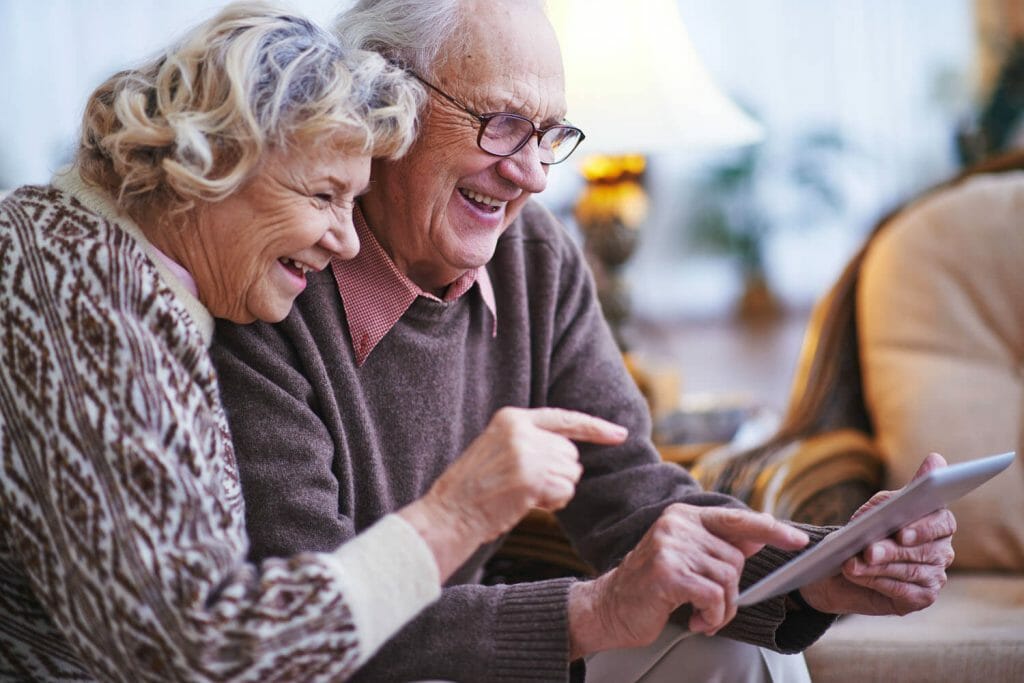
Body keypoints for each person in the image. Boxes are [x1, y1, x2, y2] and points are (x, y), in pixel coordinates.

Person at [211, 1, 958, 681]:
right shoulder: (270, 282)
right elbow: (308, 621)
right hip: (336, 665)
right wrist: (590, 611)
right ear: (386, 108)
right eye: (500, 122)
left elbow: (629, 491)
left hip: (471, 645)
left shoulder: (533, 252)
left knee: (739, 650)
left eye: (549, 135)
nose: (532, 174)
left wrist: (821, 566)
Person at [0, 3, 630, 680]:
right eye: (326, 195)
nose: (347, 238)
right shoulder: (88, 291)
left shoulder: (137, 278)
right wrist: (455, 515)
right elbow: (192, 651)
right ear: (216, 160)